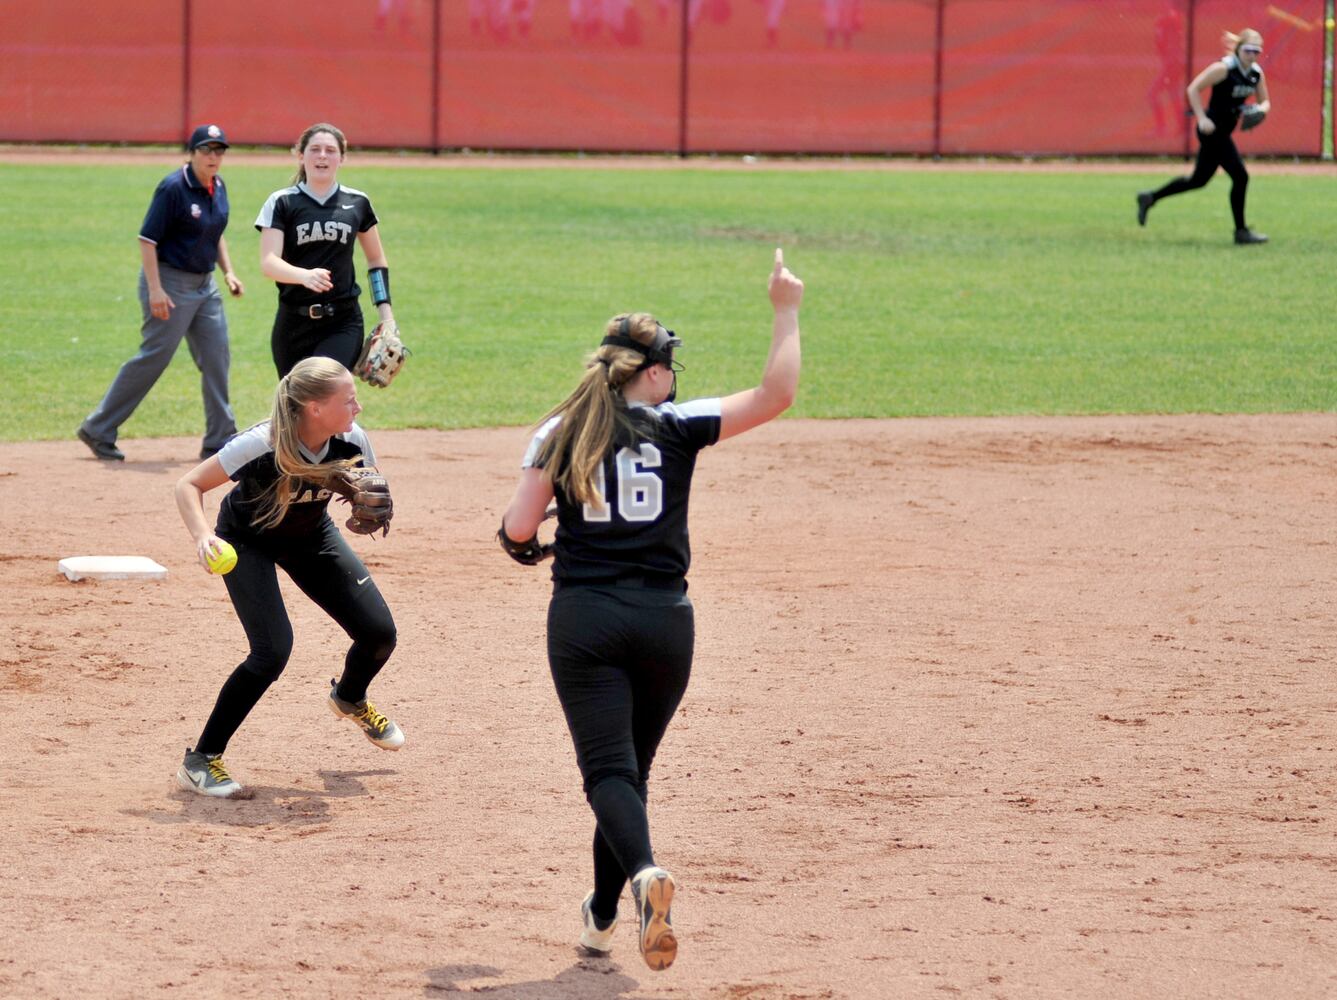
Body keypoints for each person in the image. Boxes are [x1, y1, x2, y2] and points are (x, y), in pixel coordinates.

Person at [497, 248, 803, 970]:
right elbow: (776, 393)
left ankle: (641, 877)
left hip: (584, 619)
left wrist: (528, 543)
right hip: (666, 620)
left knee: (608, 774)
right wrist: (784, 307)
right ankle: (602, 916)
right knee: (628, 773)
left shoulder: (559, 430)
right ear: (655, 372)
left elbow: (517, 527)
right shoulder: (678, 424)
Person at [173, 357, 402, 798]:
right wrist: (203, 538)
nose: (358, 408)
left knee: (379, 634)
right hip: (247, 542)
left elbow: (368, 485)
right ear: (315, 408)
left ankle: (350, 697)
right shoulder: (262, 444)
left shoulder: (350, 440)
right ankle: (201, 760)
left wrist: (368, 503)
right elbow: (189, 485)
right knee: (272, 651)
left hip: (311, 536)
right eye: (349, 400)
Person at [77, 124, 243, 462]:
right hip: (170, 283)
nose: (213, 156)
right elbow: (147, 240)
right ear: (192, 152)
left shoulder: (218, 185)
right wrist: (155, 289)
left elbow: (215, 232)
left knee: (216, 356)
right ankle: (98, 428)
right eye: (206, 149)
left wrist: (229, 272)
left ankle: (220, 438)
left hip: (205, 286)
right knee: (155, 357)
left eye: (219, 150)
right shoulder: (173, 188)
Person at [255, 122, 397, 377]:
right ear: (300, 155)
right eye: (315, 149)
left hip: (342, 322)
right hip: (293, 323)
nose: (322, 156)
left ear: (342, 158)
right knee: (296, 406)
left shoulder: (357, 203)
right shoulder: (282, 202)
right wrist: (303, 276)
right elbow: (269, 263)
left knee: (326, 389)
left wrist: (387, 318)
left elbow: (376, 261)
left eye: (331, 150)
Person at [1137, 28, 1271, 244]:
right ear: (1238, 49)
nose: (1253, 55)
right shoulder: (1224, 68)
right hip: (1212, 131)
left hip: (1224, 130)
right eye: (1248, 50)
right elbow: (1193, 89)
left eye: (1257, 51)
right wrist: (1201, 118)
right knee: (1240, 176)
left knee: (1198, 180)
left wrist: (1262, 110)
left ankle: (1150, 197)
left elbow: (1265, 100)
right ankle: (1241, 232)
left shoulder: (1255, 73)